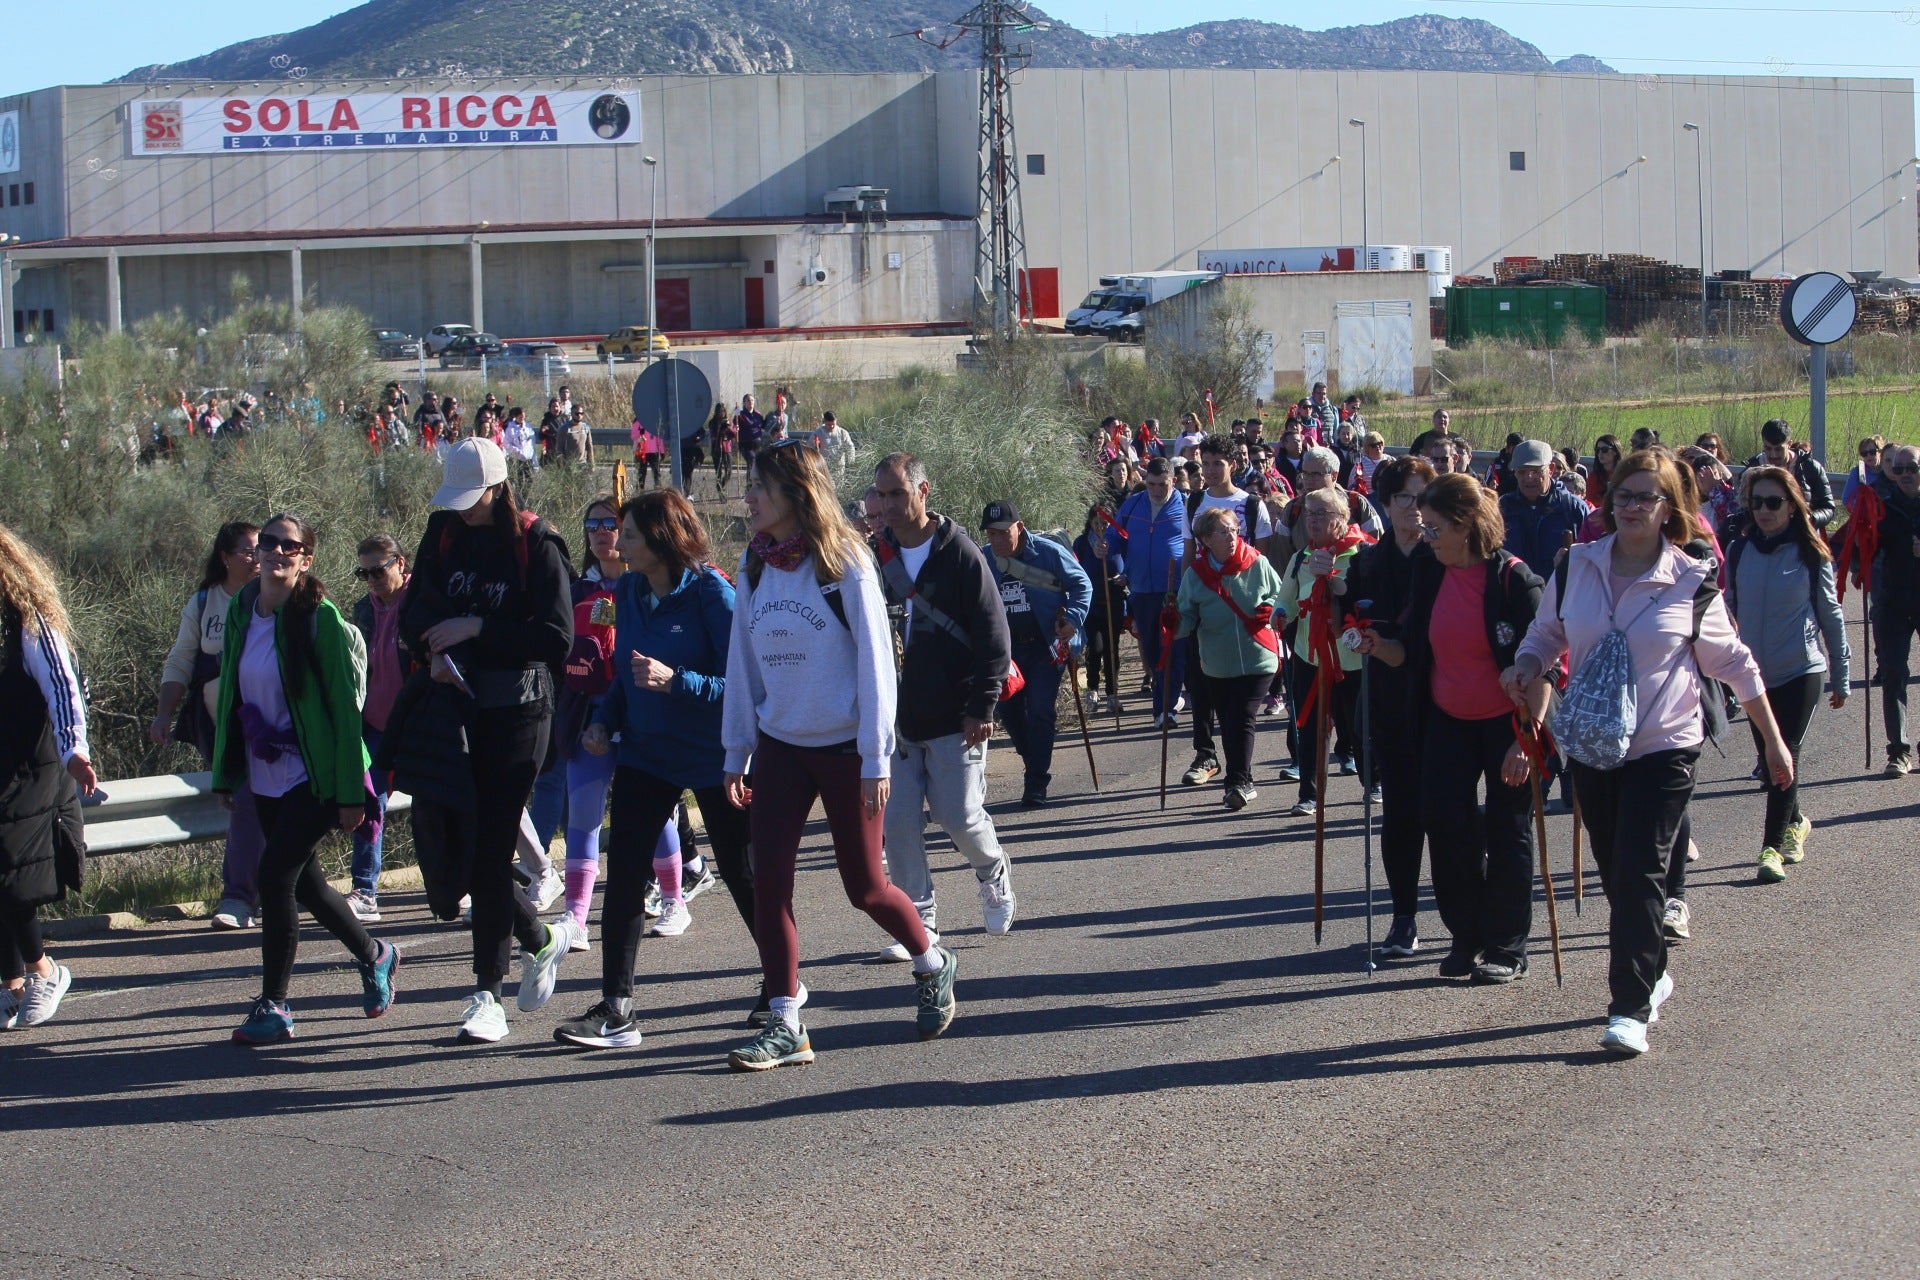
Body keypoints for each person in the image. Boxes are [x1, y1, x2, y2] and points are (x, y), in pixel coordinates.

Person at [1505, 449, 1794, 1056]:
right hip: (1591, 743)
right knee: (1616, 872)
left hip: (1665, 745)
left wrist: (1773, 741)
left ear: (1670, 510)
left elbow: (1733, 662)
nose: (1633, 506)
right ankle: (1654, 971)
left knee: (1639, 871)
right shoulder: (1576, 563)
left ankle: (1628, 1009)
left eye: (1647, 497)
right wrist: (1528, 663)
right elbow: (1547, 631)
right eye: (1625, 496)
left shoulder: (1690, 579)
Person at [723, 442, 957, 1070]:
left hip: (847, 747)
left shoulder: (844, 561)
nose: (747, 498)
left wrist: (877, 757)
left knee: (866, 887)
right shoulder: (753, 563)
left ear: (795, 493)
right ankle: (786, 1022)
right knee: (768, 882)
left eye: (758, 488)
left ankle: (931, 961)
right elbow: (741, 664)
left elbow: (878, 664)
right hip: (779, 745)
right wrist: (737, 746)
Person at [557, 491, 758, 1048]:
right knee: (622, 875)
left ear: (662, 541)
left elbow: (744, 687)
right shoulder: (628, 589)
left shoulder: (713, 595)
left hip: (714, 758)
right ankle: (617, 1010)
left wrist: (678, 681)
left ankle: (781, 987)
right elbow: (623, 673)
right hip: (646, 754)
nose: (617, 545)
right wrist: (604, 720)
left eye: (630, 536)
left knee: (743, 875)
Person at [401, 438, 579, 1043]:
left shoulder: (538, 543)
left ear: (501, 488)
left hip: (521, 714)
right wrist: (429, 646)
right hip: (454, 711)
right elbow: (414, 610)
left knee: (491, 843)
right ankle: (539, 935)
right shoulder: (444, 532)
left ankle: (487, 993)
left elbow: (556, 636)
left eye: (473, 500)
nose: (463, 510)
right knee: (458, 842)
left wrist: (478, 626)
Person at [211, 513, 399, 1044]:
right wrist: (226, 770)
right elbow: (231, 694)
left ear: (305, 559)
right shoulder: (244, 610)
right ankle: (376, 954)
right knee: (310, 886)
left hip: (314, 776)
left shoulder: (321, 620)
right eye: (266, 543)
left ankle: (274, 1005)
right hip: (264, 772)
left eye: (287, 546)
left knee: (274, 879)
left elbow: (344, 712)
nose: (274, 552)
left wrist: (347, 793)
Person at [1361, 475, 1542, 983]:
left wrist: (1527, 738)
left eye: (1435, 527)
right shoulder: (1429, 571)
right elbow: (1412, 649)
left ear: (1465, 527)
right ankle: (1466, 937)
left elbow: (1549, 662)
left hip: (1508, 723)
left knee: (1508, 831)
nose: (1427, 535)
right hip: (1446, 720)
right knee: (1445, 826)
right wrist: (1378, 645)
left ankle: (1507, 946)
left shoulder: (1515, 582)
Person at [870, 454, 1018, 957]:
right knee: (899, 823)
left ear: (922, 490)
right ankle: (919, 921)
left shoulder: (960, 554)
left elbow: (993, 634)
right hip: (895, 721)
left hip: (956, 714)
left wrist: (983, 704)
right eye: (880, 494)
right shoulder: (874, 555)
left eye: (895, 493)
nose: (885, 504)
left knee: (959, 815)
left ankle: (992, 869)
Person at [1725, 466, 1849, 882]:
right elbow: (1728, 610)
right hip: (1753, 676)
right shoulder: (1739, 550)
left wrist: (1841, 672)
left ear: (1793, 507)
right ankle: (1795, 821)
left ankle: (1770, 849)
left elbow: (1831, 614)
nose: (1763, 510)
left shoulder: (1810, 553)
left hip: (1801, 668)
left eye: (1773, 502)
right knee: (1767, 760)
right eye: (1756, 502)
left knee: (1785, 752)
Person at [0, 523, 92, 1031]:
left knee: (12, 878)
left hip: (34, 767)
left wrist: (75, 750)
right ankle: (10, 984)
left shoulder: (29, 622)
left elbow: (62, 688)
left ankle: (44, 971)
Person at [151, 522, 265, 930]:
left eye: (260, 548)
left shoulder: (277, 597)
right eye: (246, 550)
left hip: (273, 723)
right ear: (225, 557)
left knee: (257, 801)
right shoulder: (204, 602)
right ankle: (251, 893)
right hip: (221, 727)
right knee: (248, 800)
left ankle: (243, 895)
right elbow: (181, 659)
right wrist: (164, 713)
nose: (255, 558)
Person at [1350, 457, 1437, 956]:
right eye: (1405, 496)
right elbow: (1349, 622)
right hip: (1387, 696)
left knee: (1448, 813)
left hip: (1442, 696)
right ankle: (1403, 916)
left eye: (1423, 495)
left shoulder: (1444, 557)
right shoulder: (1368, 562)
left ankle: (1464, 913)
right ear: (1385, 503)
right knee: (1400, 814)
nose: (1414, 507)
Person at [1181, 436, 1279, 785]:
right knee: (1201, 683)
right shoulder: (1194, 501)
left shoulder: (1251, 505)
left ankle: (1239, 772)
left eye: (1216, 463)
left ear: (1232, 465)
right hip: (1203, 597)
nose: (1209, 470)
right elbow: (1188, 551)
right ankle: (1205, 755)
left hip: (1242, 606)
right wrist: (1181, 600)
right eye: (1204, 463)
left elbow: (1262, 555)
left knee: (1239, 706)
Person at [982, 500, 1092, 807]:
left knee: (1041, 708)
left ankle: (1036, 782)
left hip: (1045, 646)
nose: (998, 541)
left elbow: (1082, 584)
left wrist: (1072, 620)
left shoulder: (1047, 552)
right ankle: (1033, 760)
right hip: (1007, 652)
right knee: (1009, 712)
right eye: (991, 535)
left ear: (1019, 527)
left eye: (1003, 533)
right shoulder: (983, 559)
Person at [1177, 506, 1285, 809]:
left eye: (1234, 530)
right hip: (1217, 663)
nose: (1232, 536)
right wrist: (1171, 621)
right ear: (1207, 539)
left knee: (1242, 717)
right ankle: (1239, 780)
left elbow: (1283, 597)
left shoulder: (1258, 563)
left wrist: (1272, 608)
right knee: (1228, 721)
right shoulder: (1196, 575)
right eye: (1223, 532)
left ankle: (1239, 782)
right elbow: (1184, 620)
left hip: (1258, 656)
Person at [1275, 487, 1366, 815]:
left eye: (1321, 513)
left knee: (1358, 726)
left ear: (1342, 519)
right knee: (1311, 726)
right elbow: (1287, 594)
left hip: (1351, 657)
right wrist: (1279, 613)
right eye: (1309, 513)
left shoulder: (1361, 554)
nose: (1312, 519)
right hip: (1308, 653)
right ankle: (1309, 794)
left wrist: (1330, 578)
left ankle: (1374, 780)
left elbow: (1360, 598)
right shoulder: (1301, 557)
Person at [344, 533, 413, 922]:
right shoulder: (363, 611)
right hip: (374, 726)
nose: (371, 579)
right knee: (371, 804)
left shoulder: (421, 602)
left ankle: (462, 887)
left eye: (378, 570)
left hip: (417, 724)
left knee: (438, 808)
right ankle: (365, 889)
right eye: (363, 572)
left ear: (400, 564)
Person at [1108, 457, 1192, 727]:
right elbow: (1115, 537)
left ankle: (1164, 710)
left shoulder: (1188, 506)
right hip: (1142, 589)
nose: (1156, 490)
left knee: (1174, 649)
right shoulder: (1133, 505)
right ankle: (1166, 701)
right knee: (1153, 650)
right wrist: (1104, 547)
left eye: (1162, 484)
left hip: (1175, 590)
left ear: (1174, 481)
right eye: (1151, 484)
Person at [1868, 443, 1920, 777]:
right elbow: (1859, 553)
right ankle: (1898, 752)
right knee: (1892, 676)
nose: (1903, 475)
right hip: (1893, 603)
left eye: (1911, 468)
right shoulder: (1881, 508)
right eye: (1898, 469)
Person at [1499, 439, 1592, 579]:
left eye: (1536, 471)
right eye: (1522, 472)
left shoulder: (1573, 509)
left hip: (1559, 596)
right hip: (1514, 597)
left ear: (1551, 469)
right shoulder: (1503, 509)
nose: (1529, 478)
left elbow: (1591, 560)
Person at [1076, 505, 1128, 713]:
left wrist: (1126, 579)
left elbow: (1131, 565)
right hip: (1090, 605)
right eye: (1096, 523)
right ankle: (1092, 691)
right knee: (1095, 648)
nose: (1101, 527)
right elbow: (1074, 570)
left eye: (1105, 523)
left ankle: (1113, 694)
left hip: (1113, 603)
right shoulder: (1081, 544)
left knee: (1111, 649)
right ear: (1090, 523)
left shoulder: (1120, 542)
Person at [1743, 419, 1835, 530]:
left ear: (1789, 444)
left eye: (1778, 449)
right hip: (1762, 537)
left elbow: (1828, 507)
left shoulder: (1810, 467)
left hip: (1802, 537)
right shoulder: (1752, 469)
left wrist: (1810, 519)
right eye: (1768, 448)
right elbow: (1743, 508)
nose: (1773, 455)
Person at [1842, 434, 1885, 509]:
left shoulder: (1888, 471)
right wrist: (1865, 507)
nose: (1868, 456)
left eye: (1872, 452)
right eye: (1864, 454)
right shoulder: (1858, 472)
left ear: (1880, 452)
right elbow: (1846, 499)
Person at [816, 411, 857, 488]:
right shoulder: (818, 433)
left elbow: (850, 447)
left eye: (833, 424)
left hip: (839, 468)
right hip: (824, 467)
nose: (831, 426)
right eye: (828, 424)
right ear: (824, 421)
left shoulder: (842, 433)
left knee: (839, 488)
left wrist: (851, 460)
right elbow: (812, 448)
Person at [733, 393, 766, 477]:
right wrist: (736, 427)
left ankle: (751, 486)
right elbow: (734, 425)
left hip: (757, 445)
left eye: (752, 400)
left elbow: (764, 425)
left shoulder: (758, 415)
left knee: (756, 466)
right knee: (752, 461)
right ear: (744, 403)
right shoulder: (740, 415)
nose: (751, 402)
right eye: (748, 400)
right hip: (746, 445)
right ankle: (750, 485)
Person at [709, 401, 737, 494]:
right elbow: (713, 435)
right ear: (716, 413)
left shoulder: (729, 421)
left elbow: (733, 434)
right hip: (716, 449)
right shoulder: (712, 423)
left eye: (723, 411)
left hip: (727, 449)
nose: (722, 414)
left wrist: (728, 426)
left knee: (729, 472)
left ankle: (722, 485)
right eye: (720, 412)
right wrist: (720, 426)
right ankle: (720, 491)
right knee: (718, 472)